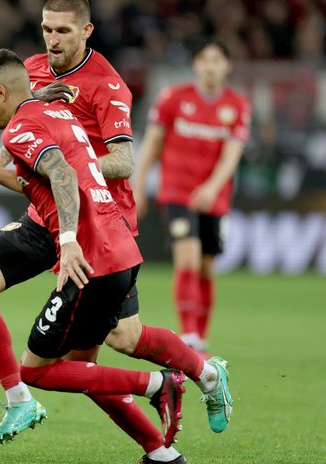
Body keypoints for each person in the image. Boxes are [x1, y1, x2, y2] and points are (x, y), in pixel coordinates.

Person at [0, 1, 232, 456]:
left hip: (98, 221)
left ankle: (202, 379)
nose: (52, 40)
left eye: (62, 30)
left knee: (115, 344)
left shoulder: (108, 84)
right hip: (45, 214)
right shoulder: (33, 70)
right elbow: (22, 123)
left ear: (86, 30)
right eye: (46, 29)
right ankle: (18, 399)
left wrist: (72, 168)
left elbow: (122, 162)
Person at [133, 38, 251, 357]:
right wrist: (139, 184)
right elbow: (152, 144)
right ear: (196, 65)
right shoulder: (173, 98)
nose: (210, 66)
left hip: (214, 196)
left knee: (206, 267)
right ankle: (189, 335)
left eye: (217, 60)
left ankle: (202, 332)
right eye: (204, 59)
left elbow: (232, 155)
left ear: (227, 66)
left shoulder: (237, 105)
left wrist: (212, 187)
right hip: (176, 191)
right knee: (187, 258)